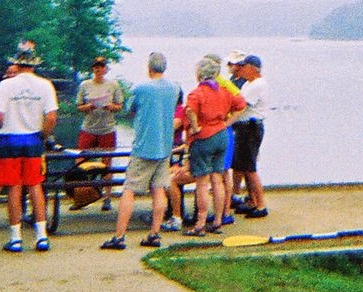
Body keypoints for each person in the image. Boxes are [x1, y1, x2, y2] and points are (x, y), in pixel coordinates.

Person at [101, 52, 180, 251]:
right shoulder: (174, 88)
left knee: (129, 189)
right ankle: (154, 233)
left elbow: (129, 109)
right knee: (158, 189)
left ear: (149, 67)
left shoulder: (141, 88)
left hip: (144, 146)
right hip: (165, 146)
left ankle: (119, 236)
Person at [0, 45, 57, 252]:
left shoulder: (5, 85)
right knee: (35, 186)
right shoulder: (45, 85)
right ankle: (41, 236)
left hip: (10, 139)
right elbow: (51, 117)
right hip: (33, 139)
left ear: (16, 64)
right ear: (34, 65)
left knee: (14, 187)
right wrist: (43, 135)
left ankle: (15, 237)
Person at [182, 56, 245, 237]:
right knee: (218, 179)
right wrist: (227, 123)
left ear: (199, 74)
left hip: (204, 137)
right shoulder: (224, 91)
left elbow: (189, 110)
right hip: (222, 136)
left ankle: (200, 223)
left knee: (202, 182)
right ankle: (218, 220)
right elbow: (241, 105)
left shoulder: (197, 93)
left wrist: (195, 127)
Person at [75, 56, 123, 209]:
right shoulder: (85, 85)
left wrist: (111, 107)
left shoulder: (113, 85)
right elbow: (79, 106)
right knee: (80, 162)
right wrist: (87, 107)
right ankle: (81, 197)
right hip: (89, 128)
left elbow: (119, 105)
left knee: (107, 163)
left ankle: (107, 198)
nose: (98, 69)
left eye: (101, 66)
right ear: (93, 69)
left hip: (107, 128)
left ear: (105, 69)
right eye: (96, 66)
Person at [231, 55, 269, 218]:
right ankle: (252, 200)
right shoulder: (248, 83)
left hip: (251, 128)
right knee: (244, 167)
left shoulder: (258, 85)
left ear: (253, 68)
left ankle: (260, 204)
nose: (241, 69)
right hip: (243, 127)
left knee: (250, 168)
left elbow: (241, 104)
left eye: (244, 66)